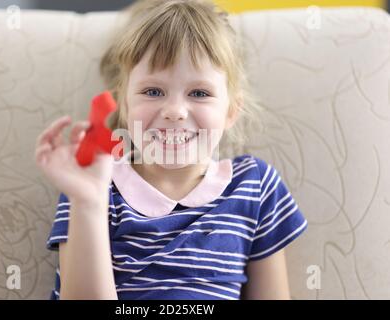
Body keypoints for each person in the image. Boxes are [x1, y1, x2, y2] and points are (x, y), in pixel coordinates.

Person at [34, 0, 308, 300]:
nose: (175, 111)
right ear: (124, 105)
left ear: (232, 110)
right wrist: (88, 202)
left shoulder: (255, 186)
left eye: (199, 93)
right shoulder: (94, 184)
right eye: (153, 91)